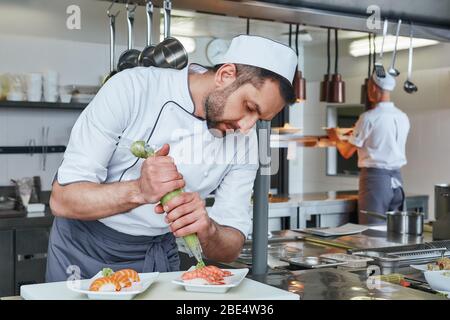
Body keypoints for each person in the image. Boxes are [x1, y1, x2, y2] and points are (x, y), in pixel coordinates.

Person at [45, 35, 298, 282]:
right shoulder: (132, 88)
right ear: (226, 75)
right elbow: (62, 200)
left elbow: (231, 247)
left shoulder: (245, 140)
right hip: (84, 251)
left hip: (158, 256)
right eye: (250, 107)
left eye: (259, 118)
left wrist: (208, 230)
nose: (246, 126)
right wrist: (139, 191)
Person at [328, 72, 410, 224]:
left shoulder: (369, 117)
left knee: (371, 232)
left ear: (373, 88)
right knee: (395, 232)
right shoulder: (402, 117)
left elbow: (346, 152)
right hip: (397, 182)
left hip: (376, 181)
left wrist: (334, 138)